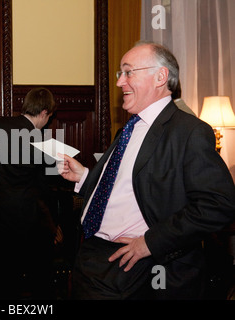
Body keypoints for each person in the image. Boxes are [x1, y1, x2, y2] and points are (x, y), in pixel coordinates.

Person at [58, 41, 235, 299]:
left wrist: (150, 243)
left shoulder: (189, 131)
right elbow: (125, 188)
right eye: (121, 73)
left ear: (160, 77)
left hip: (136, 269)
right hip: (92, 257)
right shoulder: (128, 129)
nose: (120, 82)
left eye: (129, 72)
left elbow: (218, 204)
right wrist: (85, 176)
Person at [0, 87, 59, 299]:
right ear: (44, 112)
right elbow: (46, 184)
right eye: (49, 117)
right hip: (27, 218)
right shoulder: (40, 143)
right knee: (40, 279)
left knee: (4, 277)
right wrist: (54, 223)